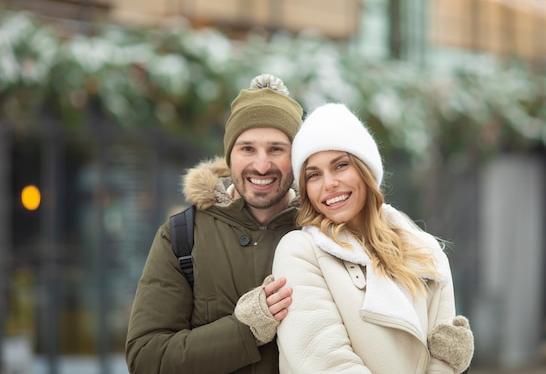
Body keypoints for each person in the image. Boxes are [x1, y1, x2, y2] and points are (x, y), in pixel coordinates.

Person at [271, 103, 474, 374]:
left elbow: (442, 361)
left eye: (340, 165)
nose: (329, 183)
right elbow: (324, 360)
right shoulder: (299, 251)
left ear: (365, 170)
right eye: (314, 175)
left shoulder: (425, 250)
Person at [125, 74, 303, 373]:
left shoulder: (323, 232)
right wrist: (244, 329)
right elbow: (146, 358)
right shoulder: (182, 236)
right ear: (230, 155)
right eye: (247, 148)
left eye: (276, 149)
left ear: (296, 157)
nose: (261, 165)